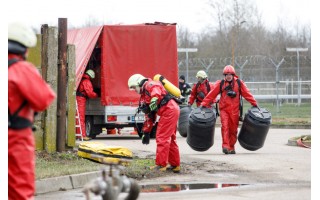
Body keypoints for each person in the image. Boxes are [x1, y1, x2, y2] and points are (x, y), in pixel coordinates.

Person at [8, 22, 56, 200]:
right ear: (24, 49)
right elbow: (43, 100)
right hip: (14, 138)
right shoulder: (21, 69)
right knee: (19, 190)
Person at [128, 74, 181, 173]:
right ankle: (175, 165)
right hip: (171, 110)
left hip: (169, 111)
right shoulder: (144, 95)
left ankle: (161, 165)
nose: (135, 90)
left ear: (139, 83)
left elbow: (156, 89)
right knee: (170, 138)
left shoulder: (150, 84)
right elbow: (150, 115)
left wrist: (154, 98)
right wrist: (146, 132)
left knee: (162, 137)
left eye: (134, 87)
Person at [200, 65, 258, 154]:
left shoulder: (239, 83)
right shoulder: (221, 84)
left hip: (235, 111)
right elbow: (212, 94)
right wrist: (204, 103)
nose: (228, 76)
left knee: (233, 130)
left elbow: (247, 94)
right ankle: (225, 146)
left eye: (230, 74)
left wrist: (254, 103)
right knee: (225, 127)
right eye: (226, 74)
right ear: (224, 75)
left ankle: (231, 147)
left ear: (233, 74)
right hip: (224, 110)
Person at [76, 69, 98, 141]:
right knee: (81, 118)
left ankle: (77, 134)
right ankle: (82, 135)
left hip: (78, 98)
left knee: (78, 117)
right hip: (81, 99)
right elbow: (90, 93)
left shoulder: (81, 79)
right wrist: (96, 95)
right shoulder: (86, 81)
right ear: (91, 76)